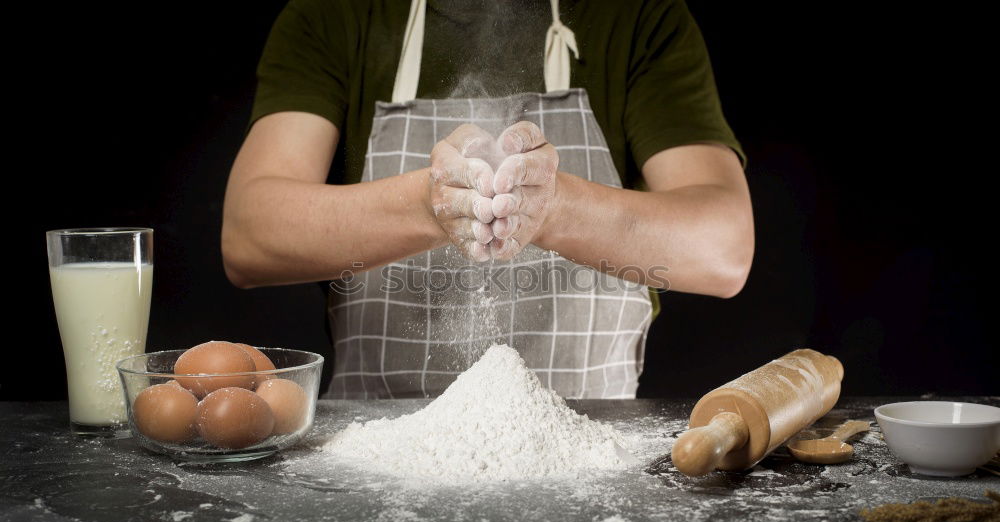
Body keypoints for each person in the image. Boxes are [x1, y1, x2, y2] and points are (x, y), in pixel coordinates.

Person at [222, 0, 754, 399]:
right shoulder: (333, 15)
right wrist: (429, 203)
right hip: (369, 451)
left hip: (591, 452)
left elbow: (723, 249)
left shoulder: (638, 16)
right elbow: (250, 236)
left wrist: (554, 206)